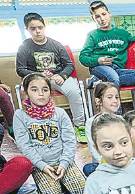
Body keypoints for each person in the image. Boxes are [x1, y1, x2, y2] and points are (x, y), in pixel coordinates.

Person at [13, 73, 85, 194]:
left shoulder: (60, 113)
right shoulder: (20, 115)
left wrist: (64, 163)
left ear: (50, 92)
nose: (40, 94)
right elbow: (24, 146)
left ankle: (63, 179)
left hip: (62, 161)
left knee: (81, 190)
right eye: (34, 90)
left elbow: (69, 141)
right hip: (41, 165)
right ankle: (54, 182)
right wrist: (42, 166)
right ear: (26, 92)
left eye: (45, 90)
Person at [16, 12, 88, 142]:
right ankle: (35, 126)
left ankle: (79, 126)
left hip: (57, 77)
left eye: (40, 27)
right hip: (36, 79)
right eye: (33, 28)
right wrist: (38, 75)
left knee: (73, 91)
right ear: (27, 29)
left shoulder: (56, 44)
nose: (37, 31)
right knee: (27, 93)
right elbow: (20, 69)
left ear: (44, 26)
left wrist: (62, 75)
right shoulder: (24, 47)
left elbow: (69, 65)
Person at [79, 0, 135, 88]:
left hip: (118, 69)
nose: (102, 19)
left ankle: (99, 82)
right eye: (97, 17)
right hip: (100, 67)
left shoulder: (122, 33)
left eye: (104, 14)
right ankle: (115, 100)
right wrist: (98, 60)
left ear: (109, 14)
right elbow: (83, 57)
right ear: (94, 19)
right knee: (113, 78)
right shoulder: (92, 35)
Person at [84, 81, 122, 175]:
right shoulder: (91, 122)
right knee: (89, 169)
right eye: (110, 97)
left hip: (121, 160)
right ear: (98, 101)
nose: (115, 100)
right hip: (103, 164)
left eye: (117, 97)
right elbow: (94, 151)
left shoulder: (121, 120)